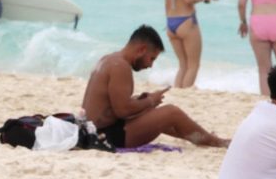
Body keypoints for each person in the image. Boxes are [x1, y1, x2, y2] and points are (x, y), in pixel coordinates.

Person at [80, 25, 229, 149]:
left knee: (152, 112)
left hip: (93, 129)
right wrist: (151, 100)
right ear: (141, 50)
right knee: (171, 112)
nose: (150, 65)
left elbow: (112, 106)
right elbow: (122, 110)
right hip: (104, 135)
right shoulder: (120, 66)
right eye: (151, 58)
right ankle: (214, 141)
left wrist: (141, 101)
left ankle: (200, 137)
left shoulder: (109, 59)